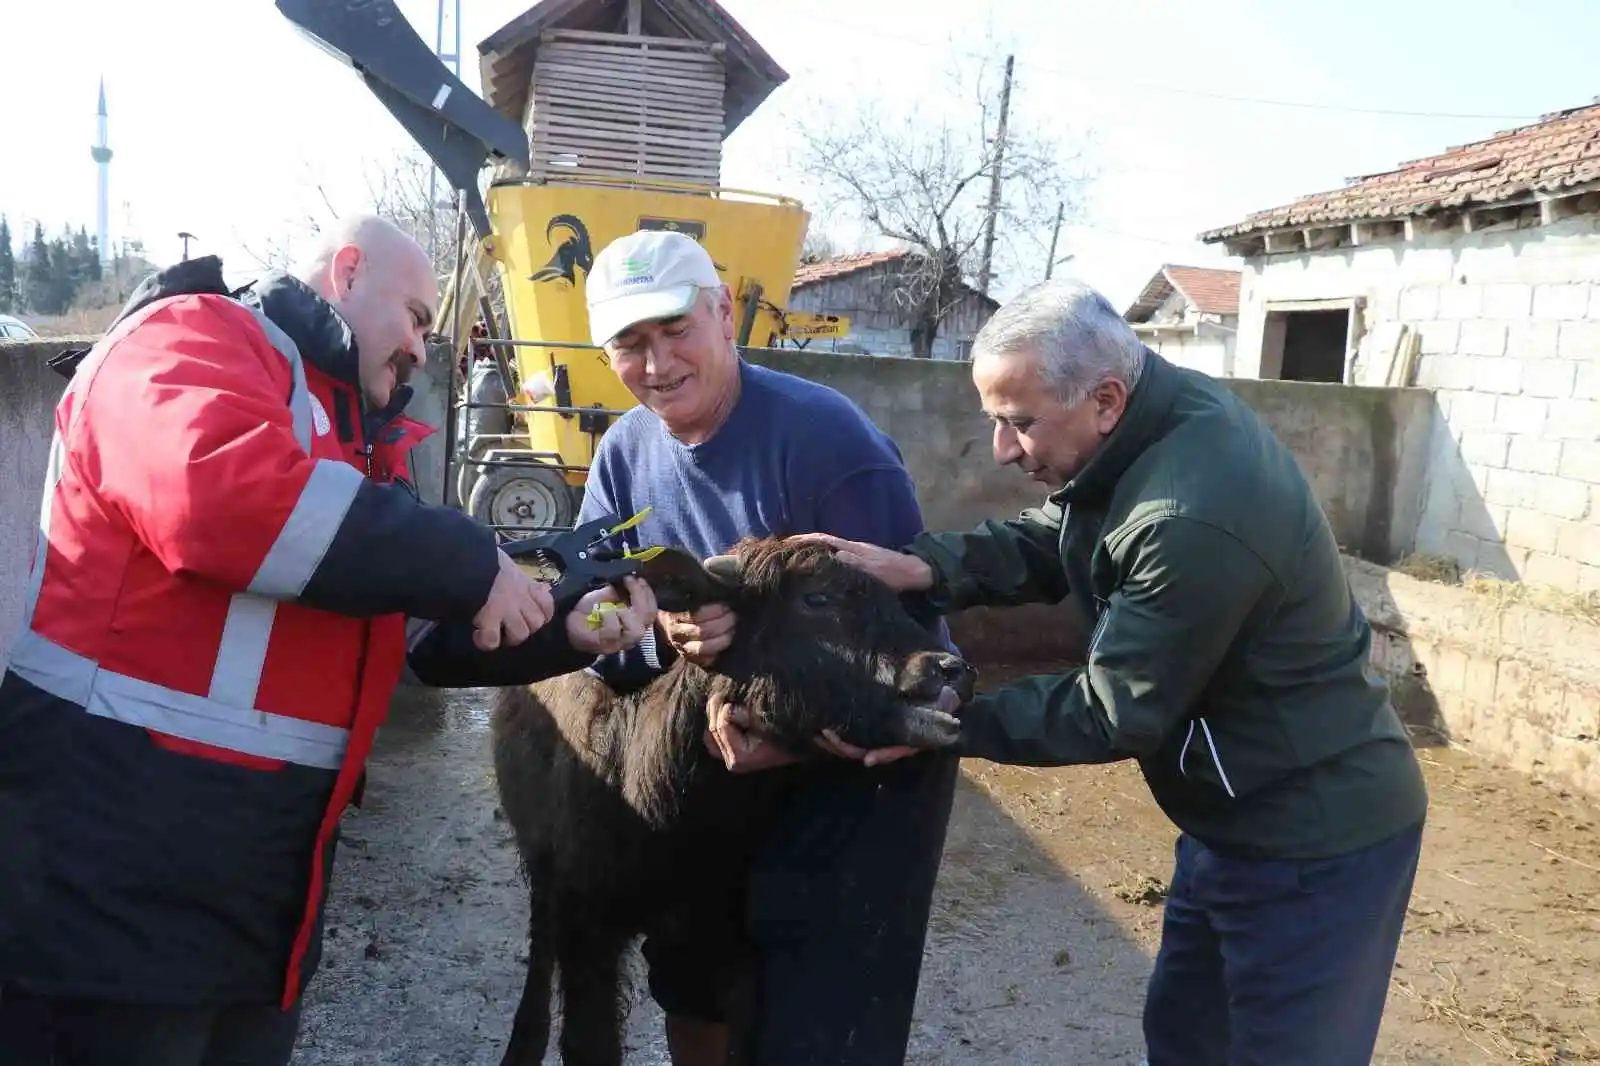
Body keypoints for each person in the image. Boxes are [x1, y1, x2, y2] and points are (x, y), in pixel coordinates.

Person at [0, 214, 658, 1066]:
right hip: (102, 880)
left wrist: (563, 628)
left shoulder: (354, 441)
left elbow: (412, 634)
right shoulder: (192, 334)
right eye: (419, 317)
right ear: (347, 272)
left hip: (257, 900)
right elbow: (214, 499)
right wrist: (466, 558)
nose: (424, 349)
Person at [793, 278, 1430, 1066]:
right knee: (1186, 1039)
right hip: (1231, 807)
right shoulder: (1146, 426)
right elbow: (1064, 530)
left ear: (1103, 398)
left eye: (1018, 425)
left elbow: (1112, 710)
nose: (1000, 450)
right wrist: (923, 568)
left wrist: (934, 722)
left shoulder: (1191, 516)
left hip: (1312, 834)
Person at [574, 227, 959, 1066]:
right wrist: (658, 640)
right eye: (630, 344)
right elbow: (594, 625)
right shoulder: (622, 457)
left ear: (723, 314)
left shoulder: (830, 444)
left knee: (817, 1018)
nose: (658, 362)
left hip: (849, 784)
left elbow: (914, 664)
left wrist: (779, 738)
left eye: (677, 329)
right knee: (696, 977)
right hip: (715, 780)